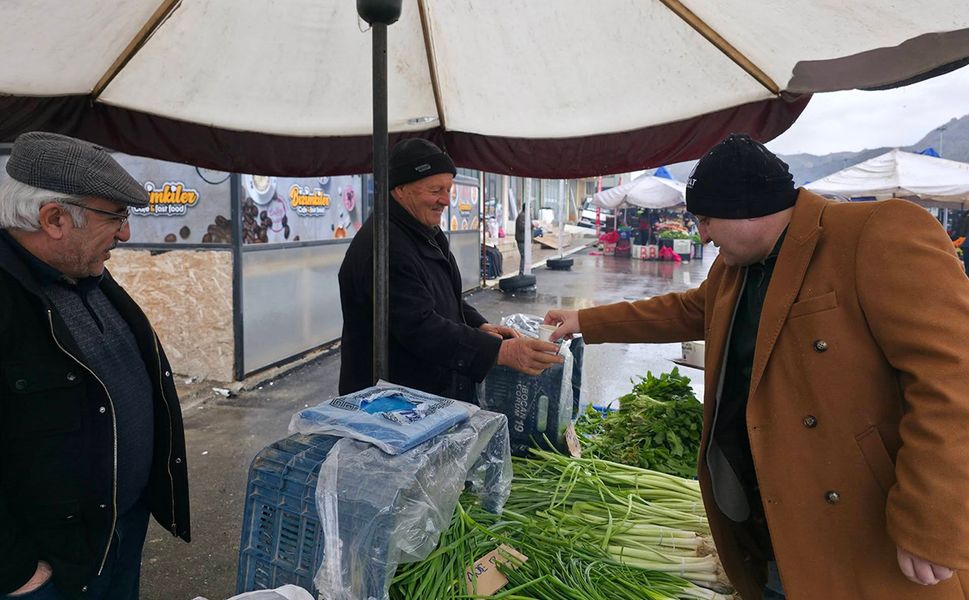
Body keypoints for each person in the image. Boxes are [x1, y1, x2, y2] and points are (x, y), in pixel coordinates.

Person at [545, 133, 969, 599]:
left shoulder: (876, 233)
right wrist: (584, 319)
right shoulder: (734, 267)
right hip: (768, 516)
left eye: (706, 219)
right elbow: (686, 310)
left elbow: (952, 378)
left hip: (859, 521)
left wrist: (932, 519)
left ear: (749, 209)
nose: (701, 234)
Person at [0, 132, 191, 600]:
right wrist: (17, 572)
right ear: (55, 218)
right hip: (50, 567)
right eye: (117, 217)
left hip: (118, 531)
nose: (125, 234)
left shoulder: (83, 271)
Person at [339, 138, 561, 402]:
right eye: (435, 190)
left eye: (448, 189)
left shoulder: (425, 231)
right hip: (389, 402)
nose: (445, 200)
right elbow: (419, 326)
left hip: (426, 393)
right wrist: (499, 352)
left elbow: (445, 298)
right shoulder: (384, 248)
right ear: (400, 190)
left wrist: (479, 325)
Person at [515, 202, 528, 274]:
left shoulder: (525, 216)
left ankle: (523, 271)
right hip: (521, 240)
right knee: (524, 256)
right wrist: (532, 225)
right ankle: (522, 272)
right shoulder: (522, 216)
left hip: (524, 239)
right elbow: (522, 227)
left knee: (525, 256)